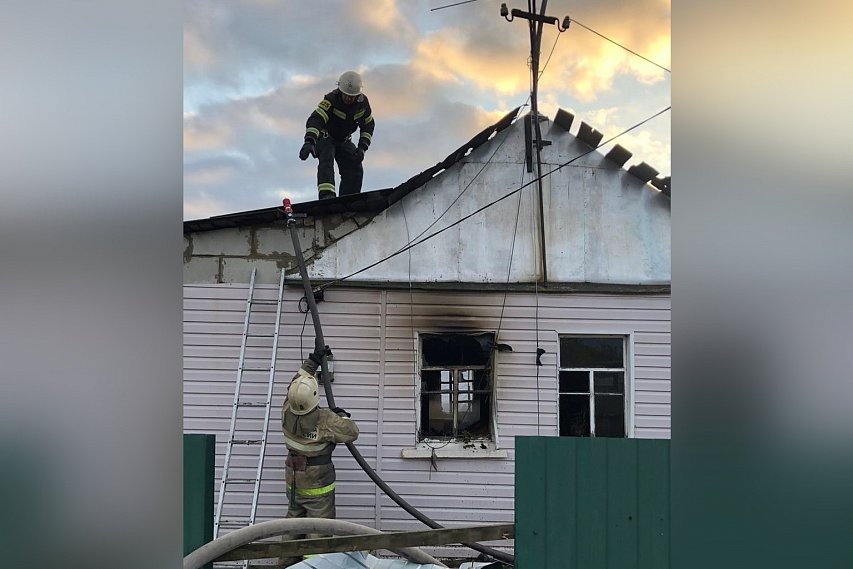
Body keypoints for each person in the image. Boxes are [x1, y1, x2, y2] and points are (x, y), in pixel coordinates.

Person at [278, 352, 359, 566]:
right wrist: (341, 416)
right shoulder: (325, 420)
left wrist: (312, 362)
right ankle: (314, 565)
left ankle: (286, 564)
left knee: (293, 524)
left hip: (294, 481)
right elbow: (352, 432)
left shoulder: (287, 410)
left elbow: (295, 385)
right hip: (318, 487)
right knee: (318, 532)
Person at [299, 71, 375, 200]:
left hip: (344, 140)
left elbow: (368, 125)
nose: (349, 99)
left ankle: (349, 199)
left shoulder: (363, 104)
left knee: (355, 166)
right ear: (340, 91)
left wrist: (362, 148)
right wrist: (310, 141)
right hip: (325, 137)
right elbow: (316, 119)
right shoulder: (331, 100)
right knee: (326, 158)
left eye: (352, 96)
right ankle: (327, 196)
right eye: (346, 95)